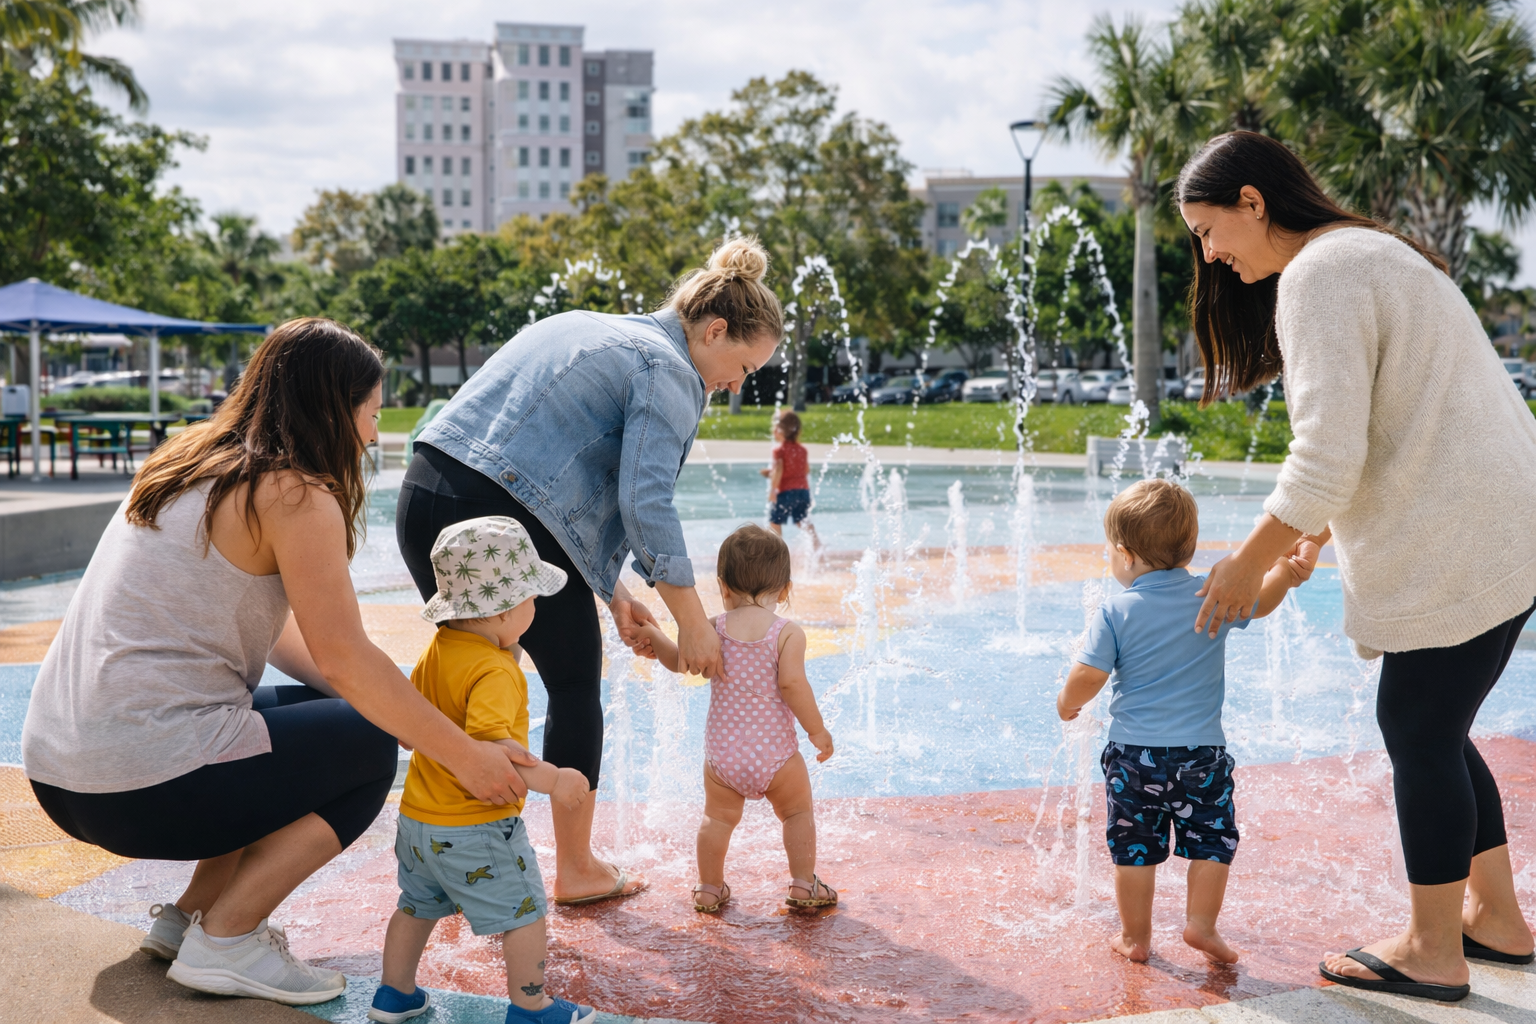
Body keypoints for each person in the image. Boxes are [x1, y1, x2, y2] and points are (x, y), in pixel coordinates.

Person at [21, 318, 531, 1006]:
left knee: (317, 727)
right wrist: (461, 754)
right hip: (135, 786)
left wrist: (400, 707)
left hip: (61, 777)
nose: (374, 436)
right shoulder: (294, 492)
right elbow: (347, 660)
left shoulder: (190, 462)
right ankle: (230, 936)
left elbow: (303, 646)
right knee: (367, 746)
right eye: (372, 414)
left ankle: (190, 917)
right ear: (332, 406)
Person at [1176, 131, 1536, 1000]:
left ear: (1255, 202)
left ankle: (1433, 949)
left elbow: (1325, 452)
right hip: (1504, 522)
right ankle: (1497, 922)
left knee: (1416, 728)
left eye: (1210, 230)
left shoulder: (1318, 275)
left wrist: (1245, 561)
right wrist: (1322, 529)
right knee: (1435, 728)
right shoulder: (1372, 253)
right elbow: (1407, 410)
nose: (1211, 254)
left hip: (1465, 537)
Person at [397, 237, 784, 905]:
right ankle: (574, 868)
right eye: (743, 365)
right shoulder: (670, 371)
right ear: (714, 330)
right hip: (501, 518)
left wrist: (613, 590)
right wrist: (692, 622)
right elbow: (644, 498)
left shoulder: (590, 326)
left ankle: (451, 860)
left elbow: (547, 473)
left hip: (426, 501)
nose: (737, 384)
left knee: (473, 682)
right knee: (574, 683)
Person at [1057, 479, 1313, 965]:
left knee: (1133, 845)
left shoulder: (1116, 609)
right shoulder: (1210, 595)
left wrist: (1067, 704)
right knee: (1212, 839)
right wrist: (1286, 568)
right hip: (1202, 756)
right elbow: (1264, 600)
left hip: (1135, 758)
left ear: (1125, 555)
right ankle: (1201, 926)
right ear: (1189, 546)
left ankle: (1135, 937)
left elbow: (1088, 675)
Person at [369, 517, 597, 1024]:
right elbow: (495, 750)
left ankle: (394, 995)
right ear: (508, 609)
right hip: (476, 827)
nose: (535, 609)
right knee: (525, 913)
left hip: (418, 821)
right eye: (532, 600)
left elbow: (414, 728)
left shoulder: (440, 651)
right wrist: (556, 781)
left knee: (415, 906)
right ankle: (530, 1006)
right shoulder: (496, 672)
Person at [638, 524, 837, 913]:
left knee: (716, 819)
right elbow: (794, 684)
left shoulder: (714, 628)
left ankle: (709, 889)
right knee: (796, 813)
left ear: (723, 587)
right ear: (785, 590)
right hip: (776, 755)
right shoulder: (786, 634)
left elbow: (680, 660)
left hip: (723, 757)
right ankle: (802, 885)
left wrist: (653, 635)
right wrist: (817, 730)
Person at [760, 410, 820, 548]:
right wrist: (772, 472)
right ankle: (817, 545)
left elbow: (779, 470)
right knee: (802, 521)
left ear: (780, 430)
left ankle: (778, 550)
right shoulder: (802, 450)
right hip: (803, 492)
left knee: (775, 521)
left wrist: (773, 490)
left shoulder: (779, 450)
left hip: (786, 493)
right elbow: (805, 470)